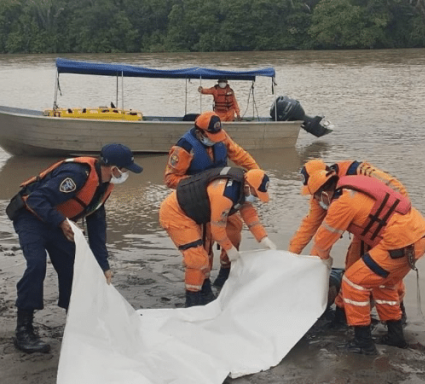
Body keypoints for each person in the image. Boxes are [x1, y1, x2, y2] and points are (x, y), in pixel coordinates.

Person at [5, 143, 143, 354]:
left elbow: (97, 228)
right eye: (124, 169)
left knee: (73, 268)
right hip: (31, 217)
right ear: (113, 168)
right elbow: (36, 199)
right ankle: (24, 329)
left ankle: (75, 319)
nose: (125, 174)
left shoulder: (103, 186)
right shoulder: (76, 175)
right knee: (36, 264)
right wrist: (61, 221)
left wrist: (103, 265)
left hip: (58, 222)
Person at [303, 170, 425, 355]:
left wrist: (310, 268)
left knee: (353, 282)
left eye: (316, 199)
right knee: (385, 284)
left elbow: (322, 244)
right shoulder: (352, 187)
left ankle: (363, 342)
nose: (318, 204)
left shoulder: (342, 203)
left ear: (324, 193)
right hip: (419, 237)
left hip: (399, 243)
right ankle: (396, 336)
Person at [289, 159, 409, 327]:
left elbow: (398, 192)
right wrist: (290, 257)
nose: (313, 196)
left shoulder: (357, 173)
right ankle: (347, 315)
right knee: (354, 268)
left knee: (379, 275)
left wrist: (382, 223)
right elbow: (310, 226)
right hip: (365, 226)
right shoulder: (321, 193)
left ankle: (394, 316)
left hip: (385, 226)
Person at [164, 111, 259, 289]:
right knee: (205, 242)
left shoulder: (220, 137)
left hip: (223, 193)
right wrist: (203, 182)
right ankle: (203, 282)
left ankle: (226, 270)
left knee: (234, 228)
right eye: (211, 136)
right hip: (199, 199)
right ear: (200, 133)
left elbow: (239, 155)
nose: (216, 140)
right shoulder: (183, 148)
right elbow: (170, 179)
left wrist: (257, 174)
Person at [159, 167, 276, 307]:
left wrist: (263, 238)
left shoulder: (241, 187)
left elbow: (249, 213)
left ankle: (205, 291)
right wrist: (229, 248)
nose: (255, 198)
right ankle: (192, 301)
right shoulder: (224, 195)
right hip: (176, 214)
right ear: (247, 186)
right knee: (197, 259)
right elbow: (217, 229)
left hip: (196, 213)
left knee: (206, 255)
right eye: (255, 194)